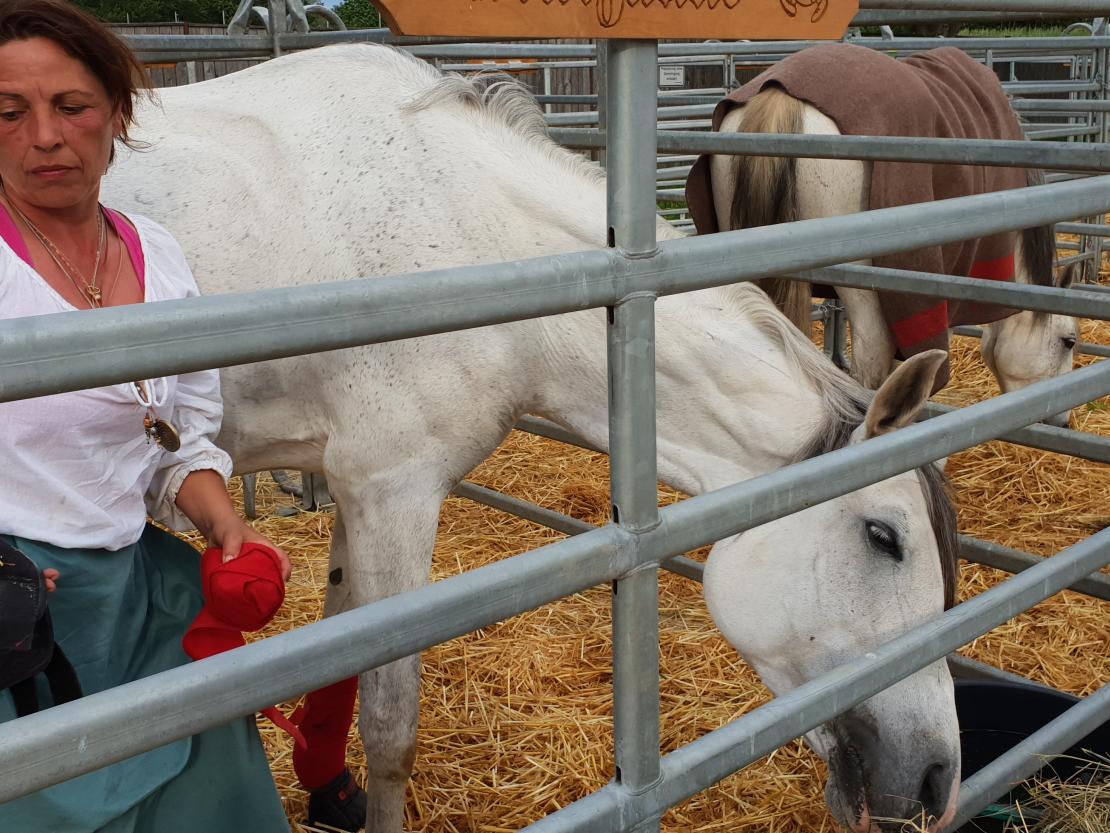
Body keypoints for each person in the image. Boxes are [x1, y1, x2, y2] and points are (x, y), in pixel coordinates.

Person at [0, 3, 362, 831]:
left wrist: (223, 522)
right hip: (19, 613)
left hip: (136, 596)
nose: (44, 137)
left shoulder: (155, 252)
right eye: (9, 113)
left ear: (117, 115)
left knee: (209, 791)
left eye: (72, 106)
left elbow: (176, 437)